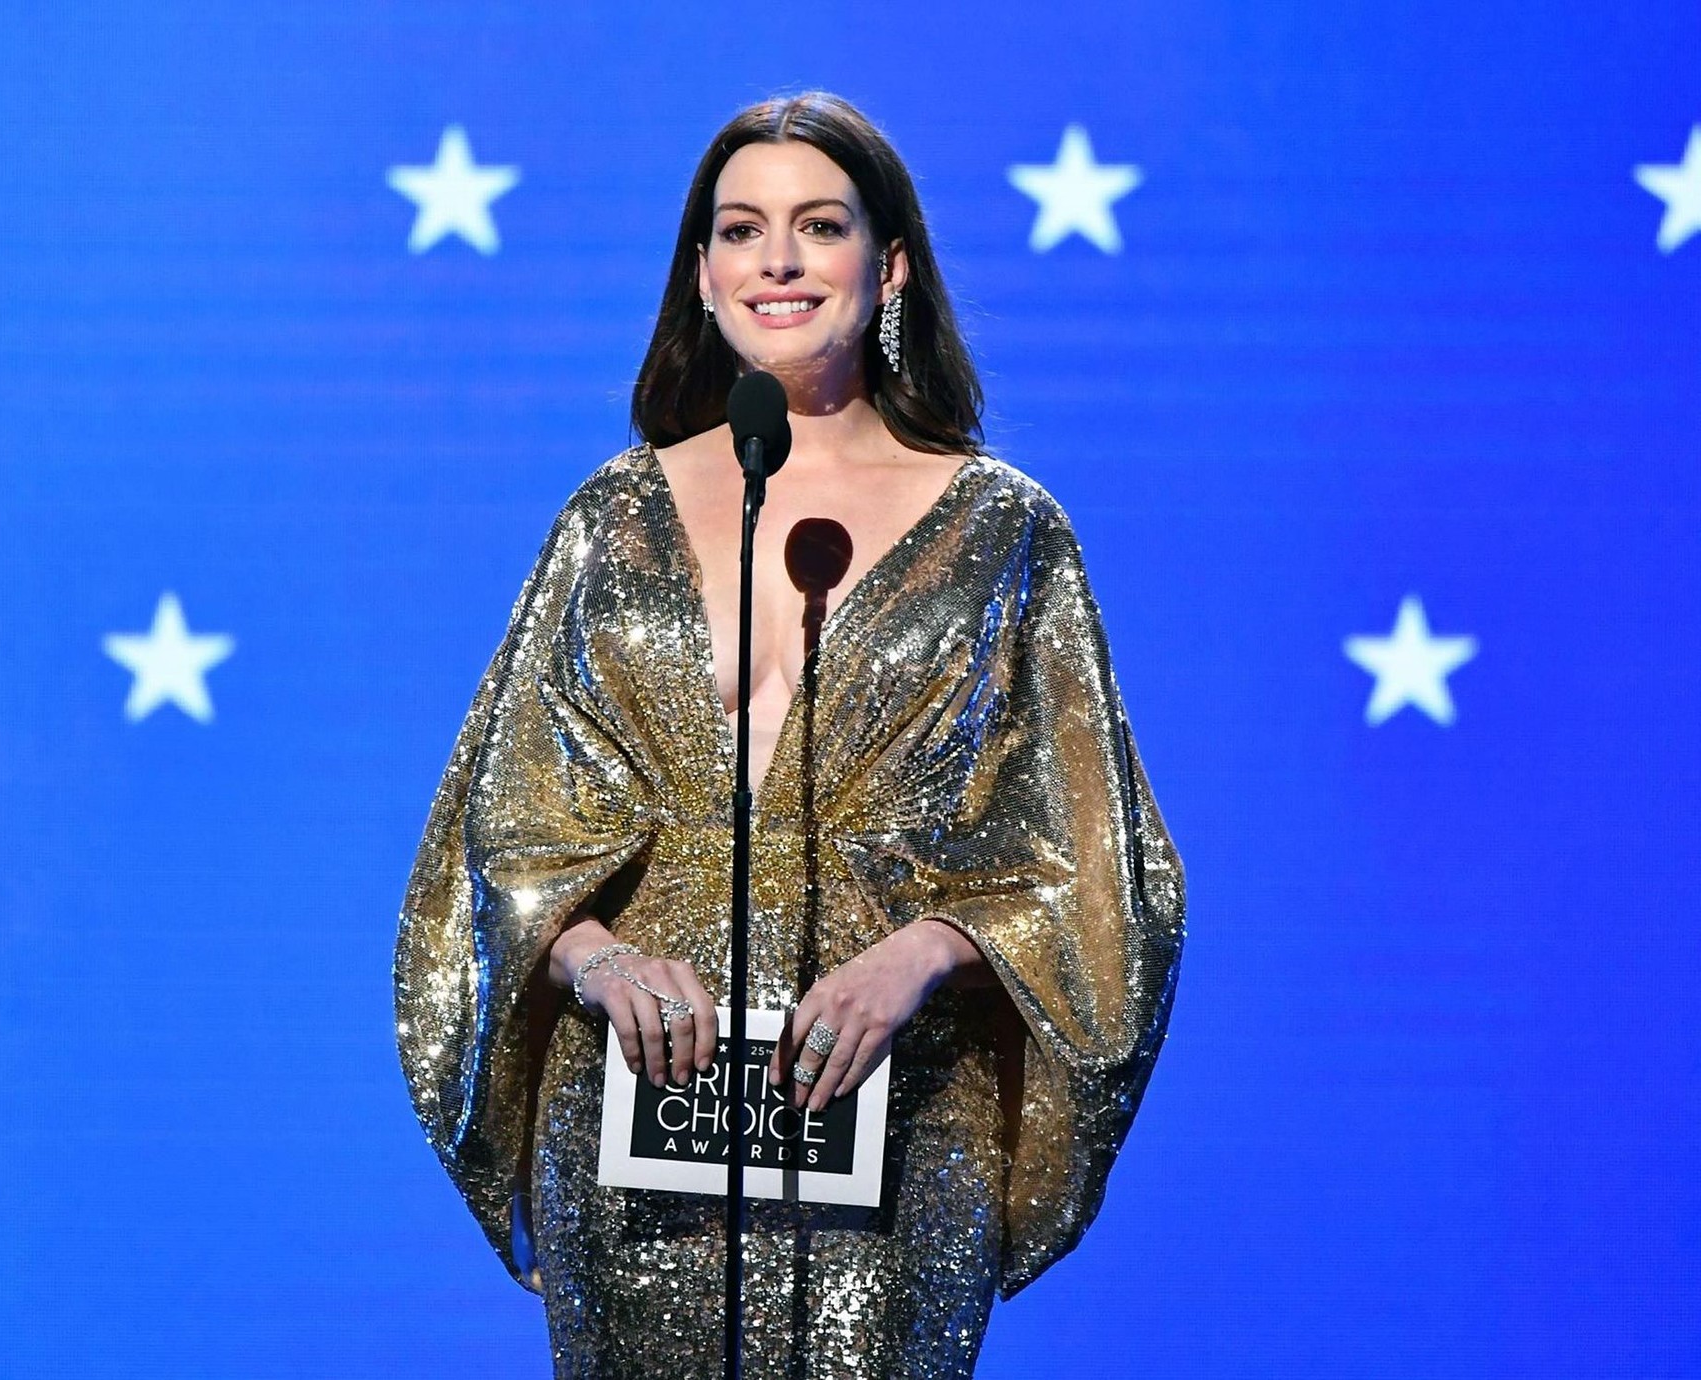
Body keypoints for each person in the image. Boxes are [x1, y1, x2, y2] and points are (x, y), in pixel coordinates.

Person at [394, 91, 1185, 1379]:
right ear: (702, 275)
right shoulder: (611, 516)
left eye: (819, 226)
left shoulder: (1004, 532)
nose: (777, 261)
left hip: (892, 1120)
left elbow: (1101, 873)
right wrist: (597, 960)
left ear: (891, 266)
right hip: (637, 1117)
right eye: (740, 230)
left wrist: (923, 954)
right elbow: (502, 833)